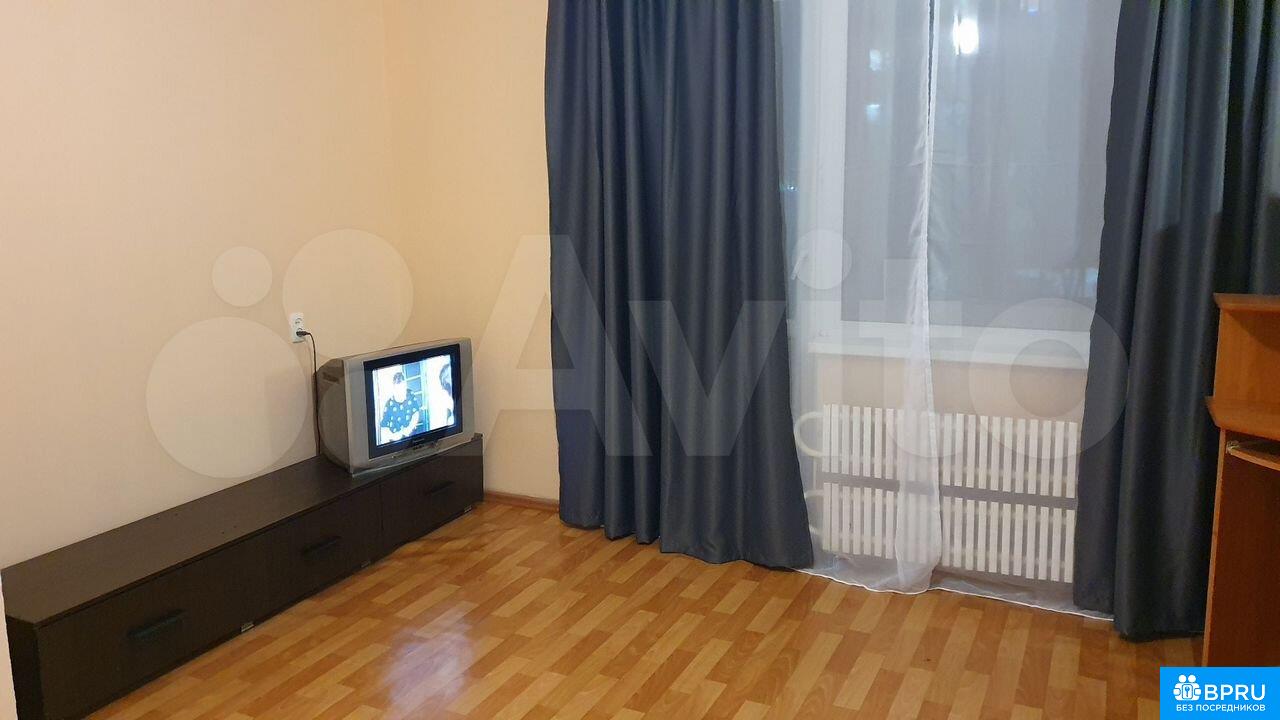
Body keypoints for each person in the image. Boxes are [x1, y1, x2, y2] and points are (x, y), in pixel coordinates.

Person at [378, 370, 421, 444]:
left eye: (403, 389)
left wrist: (408, 429)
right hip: (396, 441)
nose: (401, 393)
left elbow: (416, 413)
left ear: (405, 386)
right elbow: (384, 427)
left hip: (411, 436)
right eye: (398, 390)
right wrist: (393, 436)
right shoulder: (389, 404)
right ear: (394, 389)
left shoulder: (410, 394)